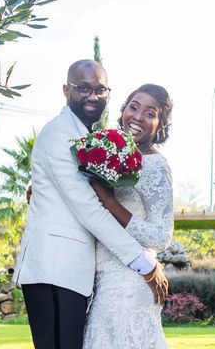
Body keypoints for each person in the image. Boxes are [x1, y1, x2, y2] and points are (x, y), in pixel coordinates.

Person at [13, 61, 168, 349]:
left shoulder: (92, 140)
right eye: (83, 88)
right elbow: (90, 208)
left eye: (100, 89)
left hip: (80, 274)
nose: (92, 96)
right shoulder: (60, 132)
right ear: (66, 90)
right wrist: (143, 263)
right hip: (55, 268)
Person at [83, 84, 174, 349]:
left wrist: (110, 201)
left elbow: (160, 237)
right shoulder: (109, 156)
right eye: (133, 107)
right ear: (123, 110)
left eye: (150, 113)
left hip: (131, 283)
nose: (137, 117)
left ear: (160, 124)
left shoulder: (156, 166)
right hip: (102, 280)